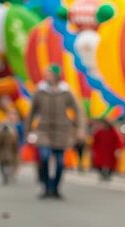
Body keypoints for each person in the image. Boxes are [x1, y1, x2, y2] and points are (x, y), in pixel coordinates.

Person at [26, 64, 84, 199]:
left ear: (57, 75)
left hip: (62, 130)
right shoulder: (40, 91)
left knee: (59, 161)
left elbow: (78, 111)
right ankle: (46, 186)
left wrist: (80, 128)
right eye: (47, 74)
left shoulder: (66, 92)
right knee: (44, 156)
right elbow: (32, 112)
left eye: (50, 74)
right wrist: (28, 130)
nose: (48, 76)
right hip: (43, 129)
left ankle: (55, 188)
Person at [0, 118, 19, 185]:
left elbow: (15, 144)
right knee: (5, 165)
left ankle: (7, 176)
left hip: (6, 152)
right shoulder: (13, 133)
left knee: (6, 165)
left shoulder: (12, 133)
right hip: (6, 153)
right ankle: (7, 176)